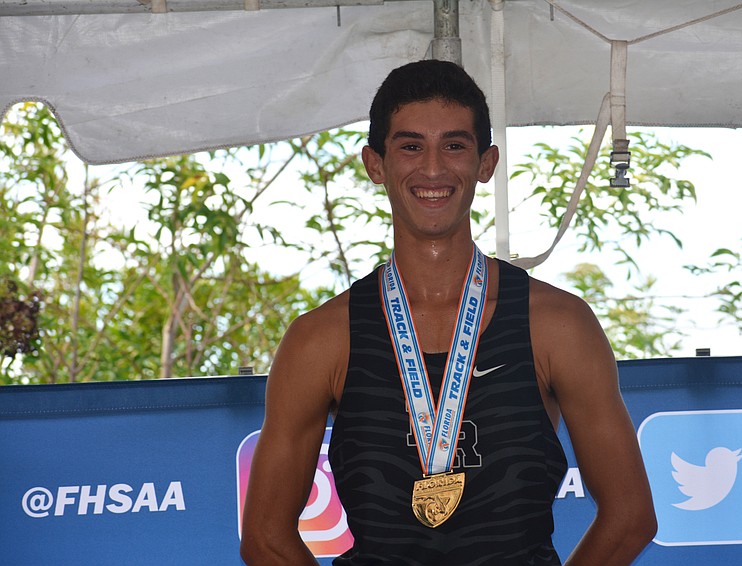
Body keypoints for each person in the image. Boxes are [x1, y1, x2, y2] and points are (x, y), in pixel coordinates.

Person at [240, 59, 656, 566]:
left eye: (454, 146)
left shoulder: (556, 325)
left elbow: (631, 516)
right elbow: (264, 538)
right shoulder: (321, 340)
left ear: (486, 164)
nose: (433, 169)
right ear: (376, 164)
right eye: (411, 146)